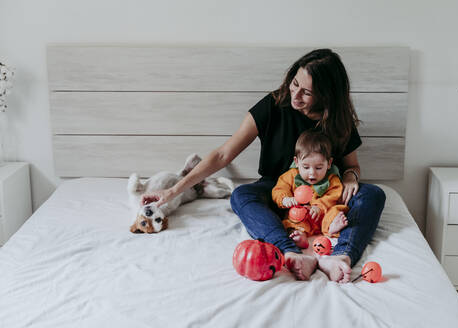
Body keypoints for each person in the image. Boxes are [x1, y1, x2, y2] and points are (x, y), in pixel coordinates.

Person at [141, 48, 386, 283]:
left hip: (324, 197)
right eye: (295, 84)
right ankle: (293, 253)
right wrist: (173, 191)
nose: (296, 95)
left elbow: (351, 166)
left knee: (373, 194)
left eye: (307, 93)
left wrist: (351, 176)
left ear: (326, 96)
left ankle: (340, 256)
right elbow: (223, 154)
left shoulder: (337, 120)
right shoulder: (273, 104)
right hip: (276, 191)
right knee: (241, 195)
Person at [271, 129, 349, 251]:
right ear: (296, 162)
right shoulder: (291, 175)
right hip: (302, 216)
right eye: (306, 167)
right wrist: (285, 199)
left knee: (336, 211)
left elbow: (334, 196)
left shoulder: (332, 180)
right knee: (293, 218)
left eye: (319, 167)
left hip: (322, 216)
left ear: (329, 163)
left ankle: (331, 229)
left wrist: (319, 206)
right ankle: (300, 235)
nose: (312, 173)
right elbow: (279, 189)